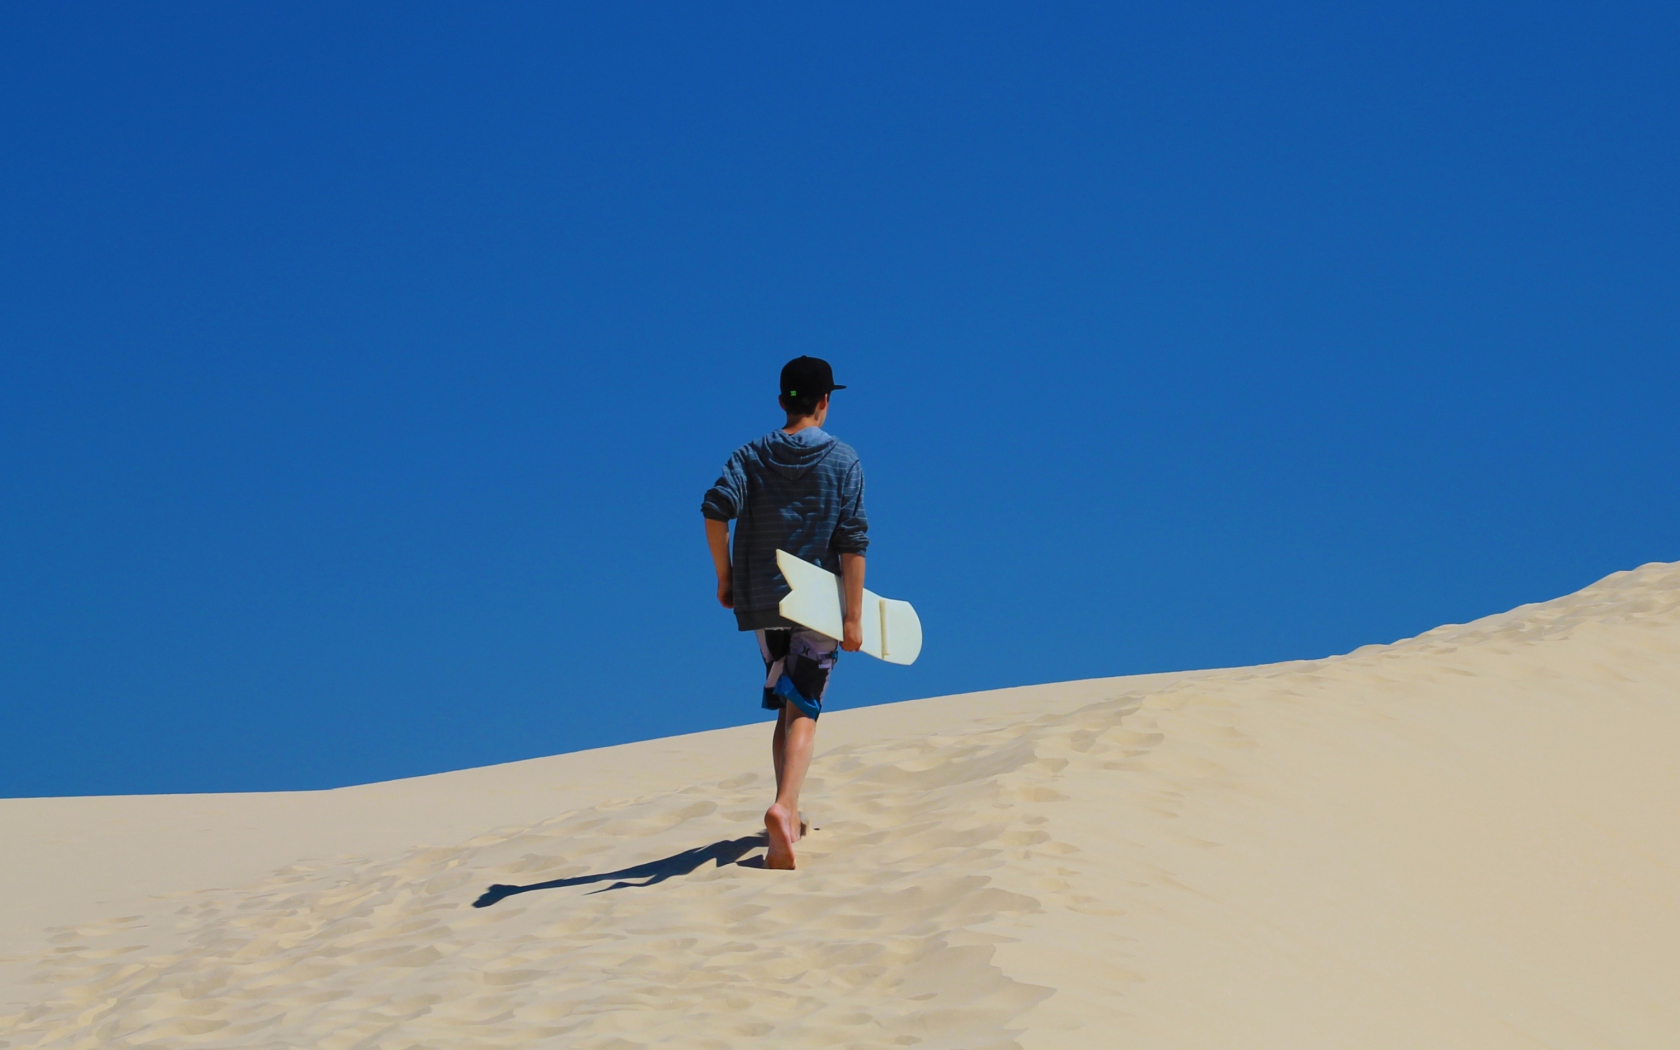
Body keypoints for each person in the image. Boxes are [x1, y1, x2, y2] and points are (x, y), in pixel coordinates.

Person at [700, 355, 868, 870]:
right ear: (824, 402)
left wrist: (725, 576)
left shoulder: (750, 455)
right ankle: (784, 806)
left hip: (765, 601)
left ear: (781, 402)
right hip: (816, 605)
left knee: (786, 701)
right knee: (806, 712)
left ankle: (787, 820)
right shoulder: (844, 460)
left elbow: (714, 507)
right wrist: (853, 617)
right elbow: (852, 542)